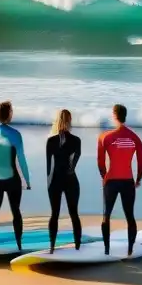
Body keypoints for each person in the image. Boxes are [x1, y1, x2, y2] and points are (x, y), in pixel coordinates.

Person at [97, 103, 142, 256]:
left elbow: (100, 161)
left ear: (114, 115)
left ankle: (106, 250)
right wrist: (138, 178)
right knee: (130, 216)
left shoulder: (105, 137)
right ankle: (130, 250)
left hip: (110, 181)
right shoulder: (135, 137)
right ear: (125, 115)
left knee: (106, 216)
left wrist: (104, 177)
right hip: (127, 181)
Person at [0, 101, 31, 249]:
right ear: (9, 113)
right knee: (15, 211)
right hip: (12, 180)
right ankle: (19, 245)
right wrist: (27, 182)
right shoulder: (15, 134)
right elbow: (21, 160)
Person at [46, 108, 82, 253]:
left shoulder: (51, 141)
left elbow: (48, 167)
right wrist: (70, 169)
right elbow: (73, 164)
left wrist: (48, 184)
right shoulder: (76, 140)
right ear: (70, 121)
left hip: (54, 180)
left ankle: (52, 247)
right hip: (71, 179)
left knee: (54, 214)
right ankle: (78, 246)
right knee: (74, 213)